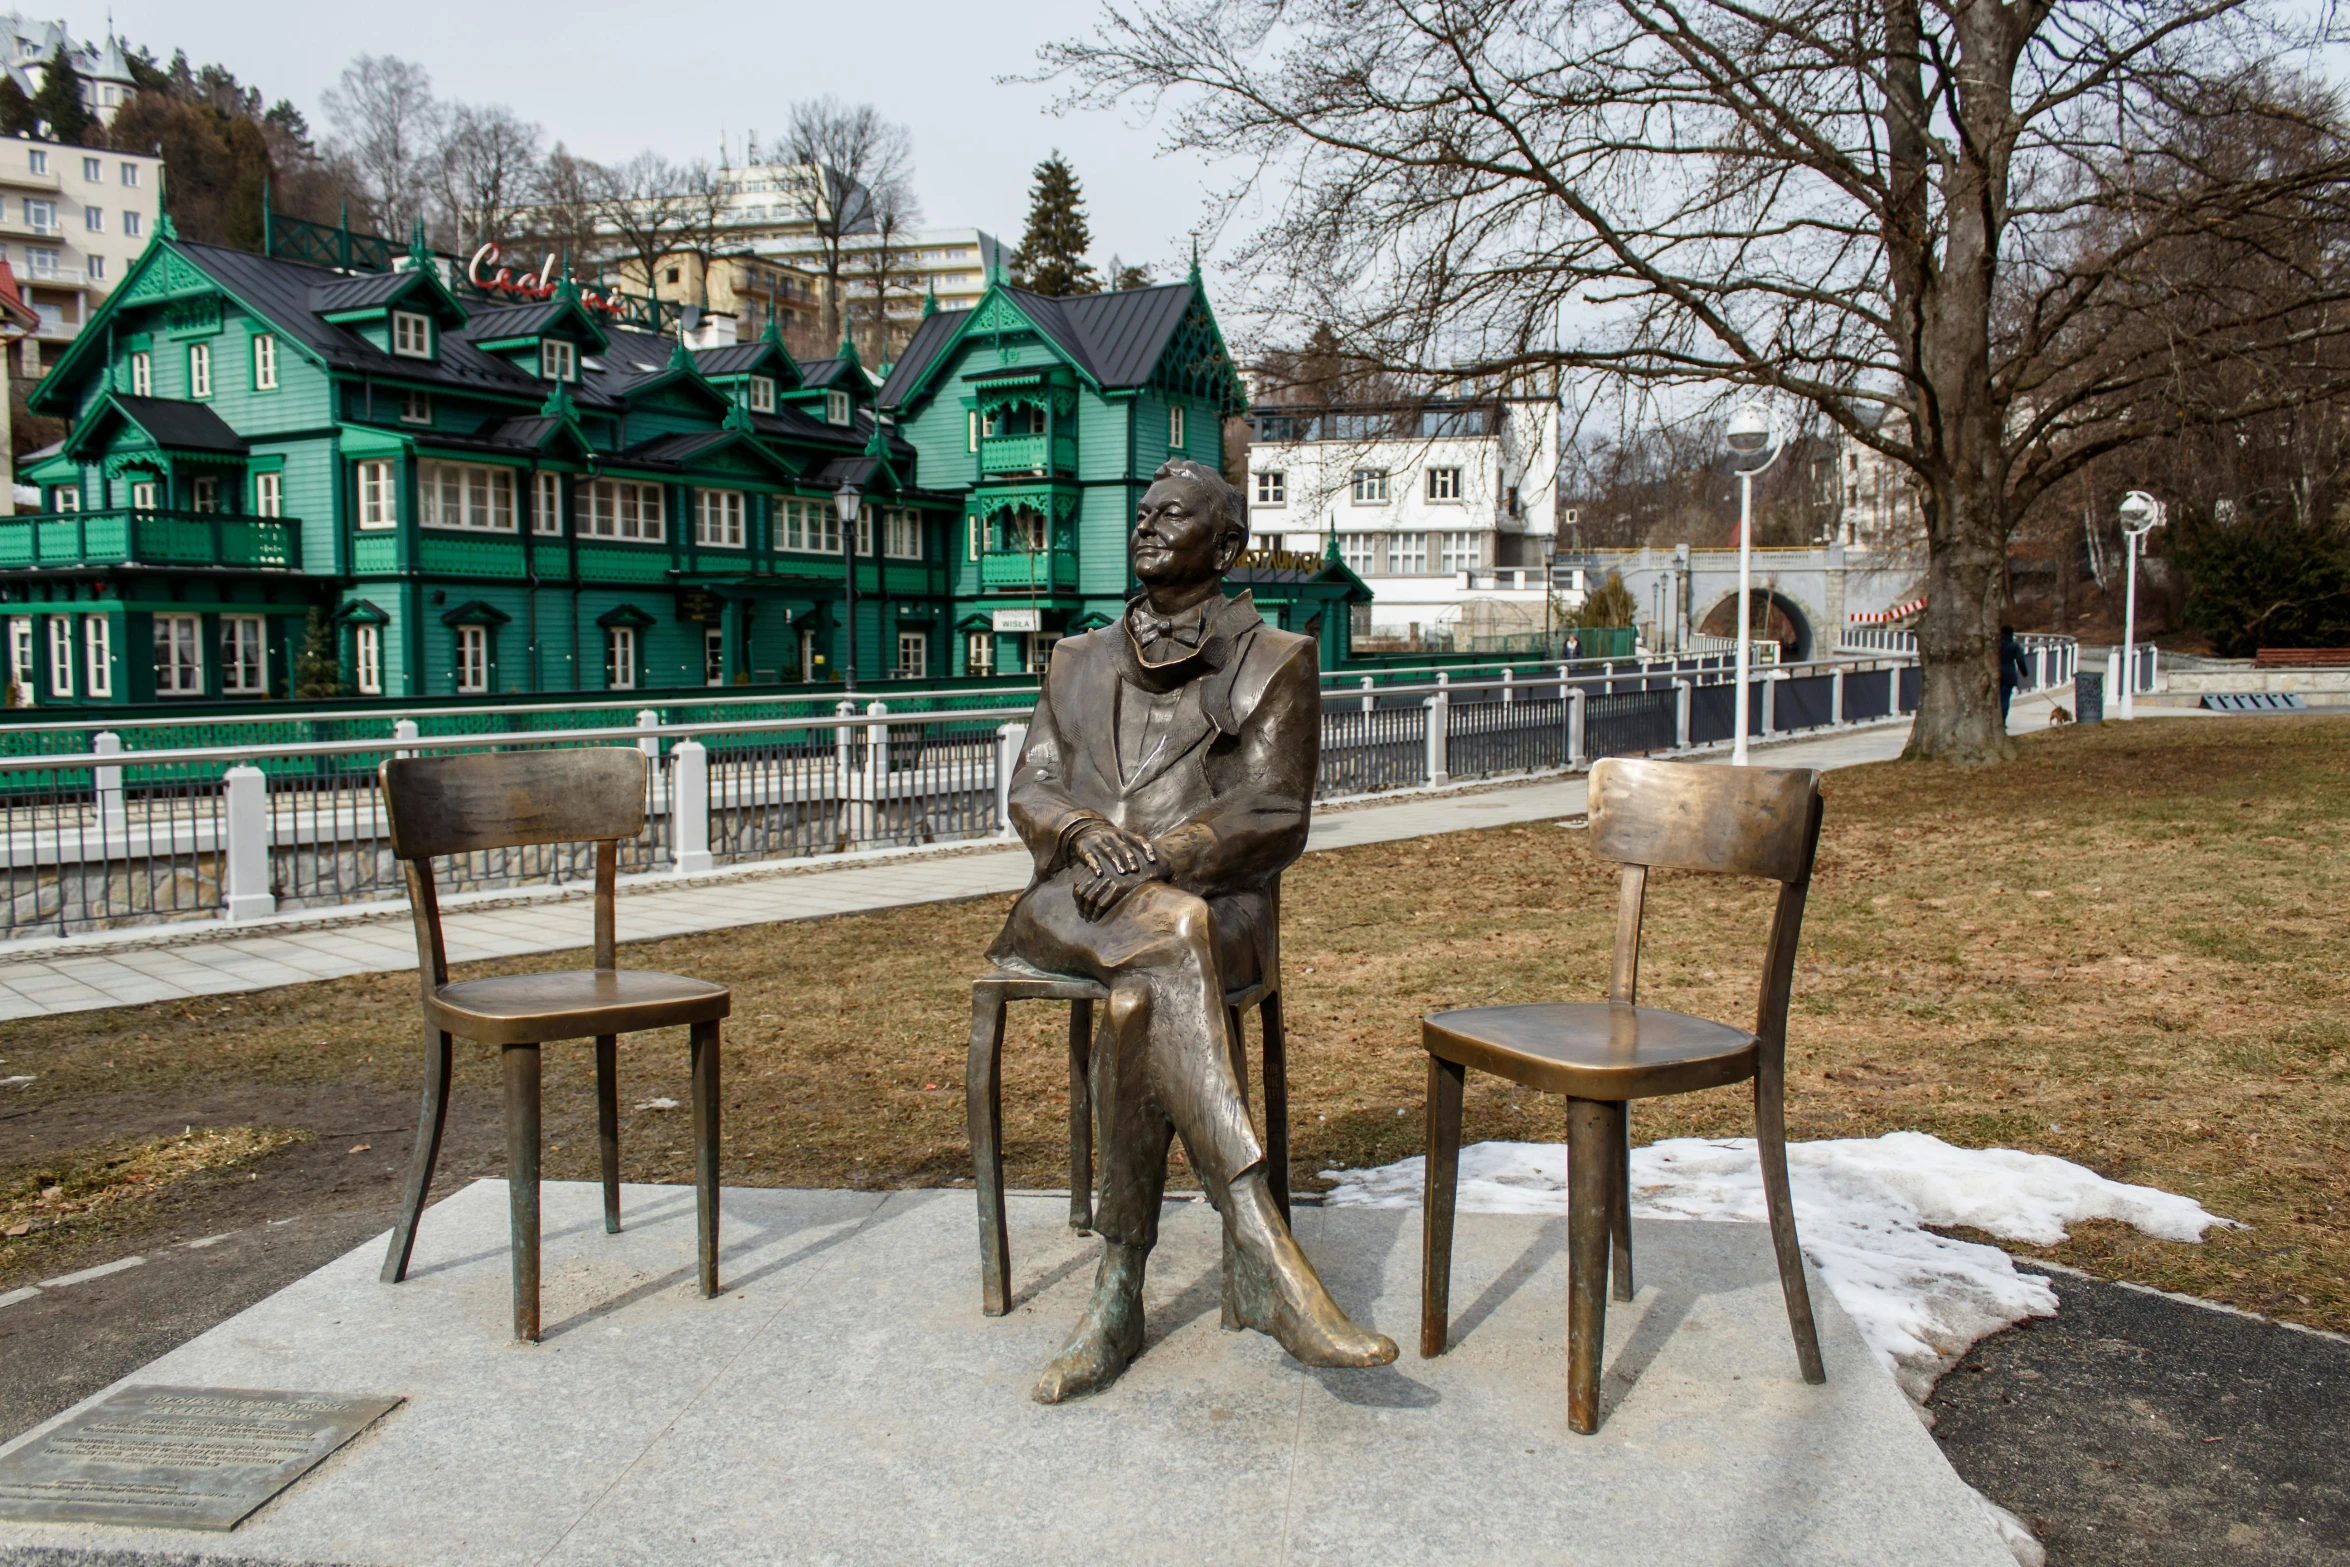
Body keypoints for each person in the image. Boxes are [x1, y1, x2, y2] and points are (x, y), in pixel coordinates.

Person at [990, 457, 1398, 1403]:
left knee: (1147, 985)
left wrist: (1168, 855)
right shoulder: (1074, 659)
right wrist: (1087, 834)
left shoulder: (1279, 659)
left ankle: (1117, 1291)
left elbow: (1274, 813)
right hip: (1073, 900)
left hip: (1215, 900)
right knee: (1165, 939)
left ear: (1227, 545)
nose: (1145, 525)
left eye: (1171, 514)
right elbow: (1032, 785)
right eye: (1140, 512)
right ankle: (1261, 1246)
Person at [1999, 625, 2031, 724]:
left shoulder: (1996, 645)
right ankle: (2002, 720)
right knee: (2005, 698)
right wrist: (2025, 673)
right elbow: (2020, 661)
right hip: (2009, 675)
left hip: (1996, 674)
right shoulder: (2014, 646)